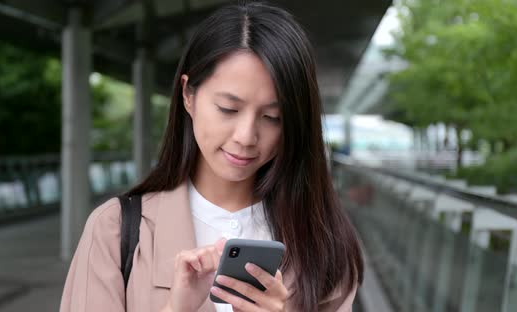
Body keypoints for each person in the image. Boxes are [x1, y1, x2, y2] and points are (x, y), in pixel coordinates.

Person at [60, 2, 363, 311]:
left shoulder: (325, 243)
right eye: (228, 109)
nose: (246, 136)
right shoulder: (115, 230)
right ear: (188, 95)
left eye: (273, 117)